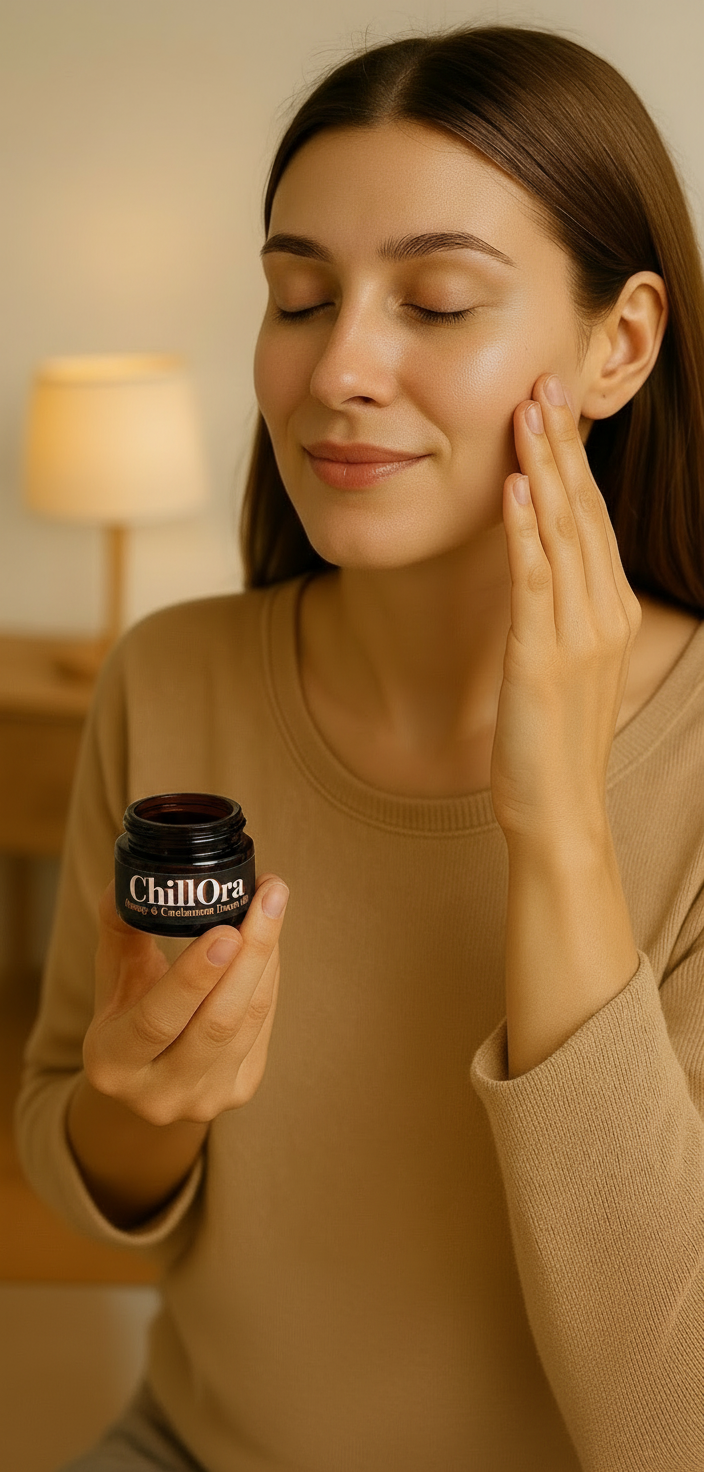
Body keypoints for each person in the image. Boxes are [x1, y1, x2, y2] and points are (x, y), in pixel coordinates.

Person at [15, 23, 704, 1472]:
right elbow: (79, 1166)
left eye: (439, 303)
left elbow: (672, 1421)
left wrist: (560, 824)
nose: (340, 370)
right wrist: (139, 1105)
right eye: (299, 297)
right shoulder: (176, 678)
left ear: (619, 344)